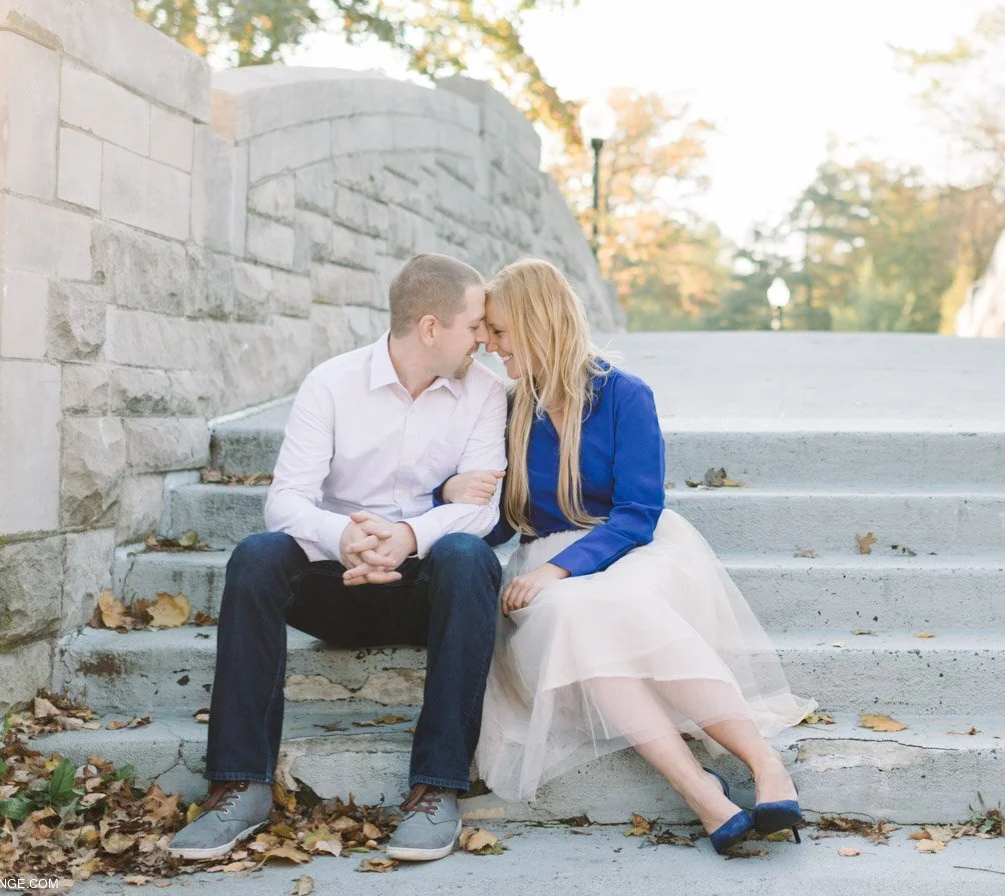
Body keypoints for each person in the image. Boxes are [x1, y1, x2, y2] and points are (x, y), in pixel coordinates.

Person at [441, 257, 814, 854]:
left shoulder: (624, 396)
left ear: (539, 324)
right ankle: (698, 789)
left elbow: (638, 512)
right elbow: (495, 524)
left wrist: (559, 570)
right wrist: (448, 497)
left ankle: (766, 765)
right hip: (544, 567)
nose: (488, 345)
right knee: (572, 616)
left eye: (501, 332)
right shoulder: (507, 410)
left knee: (606, 603)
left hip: (632, 548)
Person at [169, 253, 510, 863]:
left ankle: (437, 788)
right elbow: (287, 501)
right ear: (430, 328)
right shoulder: (331, 382)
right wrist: (343, 537)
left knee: (467, 554)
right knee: (256, 556)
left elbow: (484, 508)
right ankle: (240, 786)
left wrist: (407, 536)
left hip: (426, 587)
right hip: (340, 581)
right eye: (473, 327)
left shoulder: (486, 392)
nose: (483, 341)